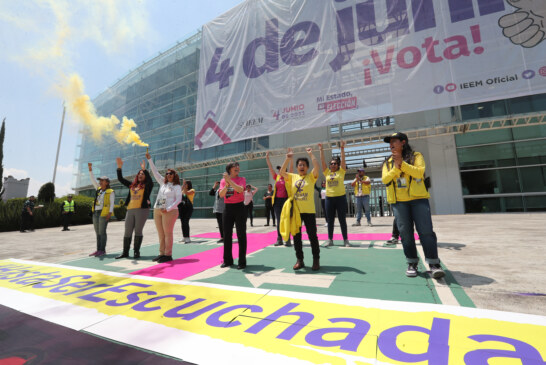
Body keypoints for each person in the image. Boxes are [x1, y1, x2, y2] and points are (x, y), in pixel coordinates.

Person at [382, 132, 445, 278]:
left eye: (394, 141)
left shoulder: (416, 156)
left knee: (426, 232)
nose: (391, 144)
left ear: (403, 142)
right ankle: (411, 262)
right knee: (405, 234)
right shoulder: (387, 162)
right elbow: (385, 179)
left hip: (418, 199)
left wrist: (402, 164)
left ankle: (434, 264)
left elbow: (419, 173)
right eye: (389, 142)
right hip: (399, 202)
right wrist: (396, 167)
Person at [279, 147, 321, 271]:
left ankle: (316, 260)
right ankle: (299, 260)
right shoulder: (293, 177)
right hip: (296, 212)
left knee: (312, 236)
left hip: (309, 211)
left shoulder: (311, 177)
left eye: (303, 165)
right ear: (297, 167)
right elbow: (281, 172)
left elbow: (317, 166)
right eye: (299, 165)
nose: (301, 166)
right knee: (296, 236)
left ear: (307, 167)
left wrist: (311, 154)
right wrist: (287, 159)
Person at [147, 152, 182, 263]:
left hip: (169, 211)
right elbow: (155, 172)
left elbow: (178, 200)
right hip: (158, 209)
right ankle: (161, 253)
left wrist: (169, 208)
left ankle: (168, 254)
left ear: (174, 175)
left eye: (171, 173)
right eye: (167, 173)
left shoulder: (176, 186)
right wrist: (150, 160)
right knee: (161, 233)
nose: (168, 175)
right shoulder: (163, 183)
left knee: (168, 233)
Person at [115, 157, 154, 259]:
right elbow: (121, 179)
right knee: (127, 231)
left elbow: (151, 181)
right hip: (130, 210)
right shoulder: (132, 185)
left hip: (142, 210)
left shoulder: (147, 185)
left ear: (145, 176)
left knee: (138, 231)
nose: (140, 175)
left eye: (143, 174)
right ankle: (125, 252)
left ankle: (136, 252)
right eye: (139, 174)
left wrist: (145, 169)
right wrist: (119, 168)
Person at [319, 140, 350, 247]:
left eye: (335, 163)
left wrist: (342, 148)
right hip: (329, 199)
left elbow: (343, 161)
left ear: (338, 165)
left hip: (340, 198)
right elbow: (322, 161)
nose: (332, 165)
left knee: (342, 220)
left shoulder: (341, 172)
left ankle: (345, 240)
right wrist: (321, 150)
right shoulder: (327, 172)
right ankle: (330, 239)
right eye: (331, 163)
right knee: (330, 220)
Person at [219, 162, 247, 269]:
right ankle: (227, 260)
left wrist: (229, 181)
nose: (237, 168)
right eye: (234, 167)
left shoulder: (242, 179)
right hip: (228, 209)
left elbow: (240, 190)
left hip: (240, 208)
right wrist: (226, 184)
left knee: (241, 235)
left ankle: (242, 261)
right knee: (227, 235)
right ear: (229, 170)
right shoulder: (223, 181)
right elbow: (221, 194)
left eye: (238, 167)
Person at [265, 151, 293, 247]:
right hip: (277, 201)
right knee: (279, 220)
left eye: (282, 169)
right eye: (280, 169)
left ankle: (288, 239)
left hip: (286, 201)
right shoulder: (276, 177)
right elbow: (270, 168)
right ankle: (279, 239)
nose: (280, 170)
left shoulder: (288, 177)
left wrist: (290, 157)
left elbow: (292, 167)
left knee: (286, 220)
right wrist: (267, 158)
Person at [88, 163, 115, 257]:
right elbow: (93, 180)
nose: (100, 182)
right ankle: (98, 249)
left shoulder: (110, 192)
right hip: (95, 212)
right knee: (97, 232)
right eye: (100, 181)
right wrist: (90, 170)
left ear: (107, 182)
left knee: (102, 232)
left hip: (104, 213)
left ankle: (102, 250)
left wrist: (110, 213)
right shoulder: (98, 190)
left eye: (102, 181)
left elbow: (112, 203)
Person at [178, 179, 195, 243]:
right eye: (185, 184)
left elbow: (186, 193)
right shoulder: (183, 190)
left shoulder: (192, 190)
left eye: (186, 184)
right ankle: (184, 237)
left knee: (185, 221)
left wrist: (184, 187)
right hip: (182, 207)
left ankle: (188, 237)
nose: (185, 185)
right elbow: (179, 192)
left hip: (189, 207)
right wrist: (183, 185)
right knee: (182, 222)